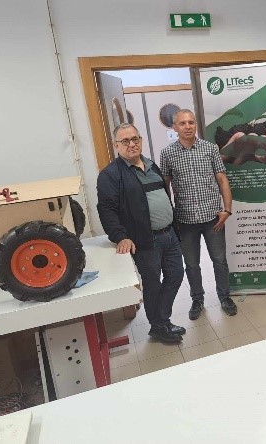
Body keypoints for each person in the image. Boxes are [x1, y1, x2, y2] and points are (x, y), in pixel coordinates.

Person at [97, 123, 185, 344]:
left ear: (141, 140)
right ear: (116, 145)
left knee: (176, 275)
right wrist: (121, 236)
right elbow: (106, 209)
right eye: (125, 141)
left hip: (169, 234)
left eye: (135, 139)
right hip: (146, 240)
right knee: (153, 283)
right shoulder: (110, 175)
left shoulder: (152, 165)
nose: (131, 144)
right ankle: (159, 325)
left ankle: (161, 320)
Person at [160, 109, 238, 320]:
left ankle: (225, 297)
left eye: (191, 122)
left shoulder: (210, 148)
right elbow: (165, 187)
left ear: (196, 125)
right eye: (182, 123)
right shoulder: (167, 154)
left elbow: (222, 179)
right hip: (184, 221)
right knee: (192, 264)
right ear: (175, 127)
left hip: (213, 218)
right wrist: (168, 217)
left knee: (219, 260)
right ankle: (197, 299)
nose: (188, 126)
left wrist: (227, 209)